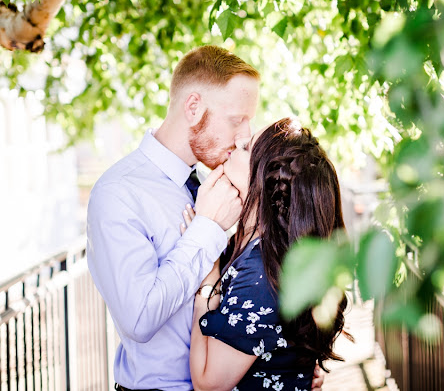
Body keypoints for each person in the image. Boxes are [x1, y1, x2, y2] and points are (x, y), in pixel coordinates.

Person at [86, 45, 260, 390]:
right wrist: (206, 230)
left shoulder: (212, 184)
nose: (244, 135)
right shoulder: (118, 193)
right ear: (193, 107)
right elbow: (139, 318)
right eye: (237, 120)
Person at [185, 118, 349, 391]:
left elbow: (208, 384)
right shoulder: (258, 249)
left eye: (247, 147)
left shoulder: (263, 273)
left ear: (264, 181)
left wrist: (209, 272)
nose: (238, 142)